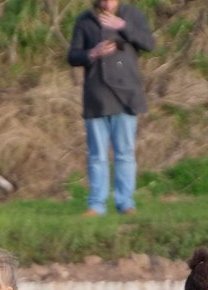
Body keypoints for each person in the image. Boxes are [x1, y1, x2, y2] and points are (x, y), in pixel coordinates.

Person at [66, 0, 155, 217]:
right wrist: (92, 53)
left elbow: (149, 44)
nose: (107, 3)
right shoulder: (85, 20)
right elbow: (72, 56)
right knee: (97, 155)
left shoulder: (132, 15)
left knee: (124, 153)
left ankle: (125, 202)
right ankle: (96, 205)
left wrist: (122, 26)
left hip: (127, 95)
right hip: (96, 97)